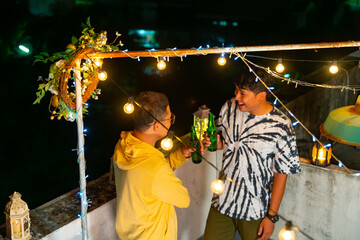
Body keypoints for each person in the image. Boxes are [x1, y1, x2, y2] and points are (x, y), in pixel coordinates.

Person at [203, 67, 301, 240]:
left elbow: (281, 174)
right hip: (222, 200)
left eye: (242, 93)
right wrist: (213, 142)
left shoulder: (281, 125)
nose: (237, 97)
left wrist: (271, 216)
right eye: (236, 90)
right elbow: (224, 144)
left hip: (255, 208)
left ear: (261, 96)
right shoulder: (229, 107)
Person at [112, 91, 197, 240]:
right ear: (157, 125)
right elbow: (184, 199)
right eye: (169, 118)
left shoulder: (123, 145)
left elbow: (148, 179)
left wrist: (180, 154)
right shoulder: (155, 166)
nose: (171, 121)